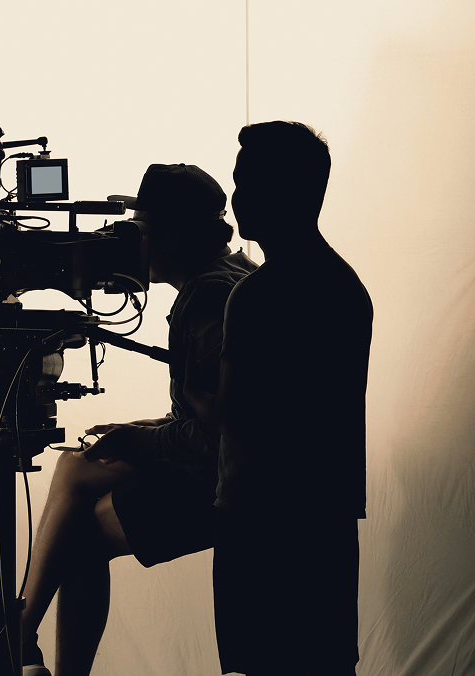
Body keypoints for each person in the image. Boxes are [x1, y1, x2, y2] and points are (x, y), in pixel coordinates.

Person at [16, 164, 258, 676]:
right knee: (75, 477)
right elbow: (208, 411)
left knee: (76, 509)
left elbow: (223, 431)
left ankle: (14, 638)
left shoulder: (208, 298)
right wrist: (143, 431)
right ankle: (18, 637)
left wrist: (146, 441)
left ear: (172, 238)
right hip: (226, 470)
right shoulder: (235, 275)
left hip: (225, 485)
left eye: (140, 230)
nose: (130, 243)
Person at [183, 121, 372, 675]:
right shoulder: (347, 288)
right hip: (328, 518)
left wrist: (190, 389)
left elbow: (229, 414)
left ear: (279, 193)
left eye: (246, 183)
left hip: (256, 519)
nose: (236, 197)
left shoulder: (254, 297)